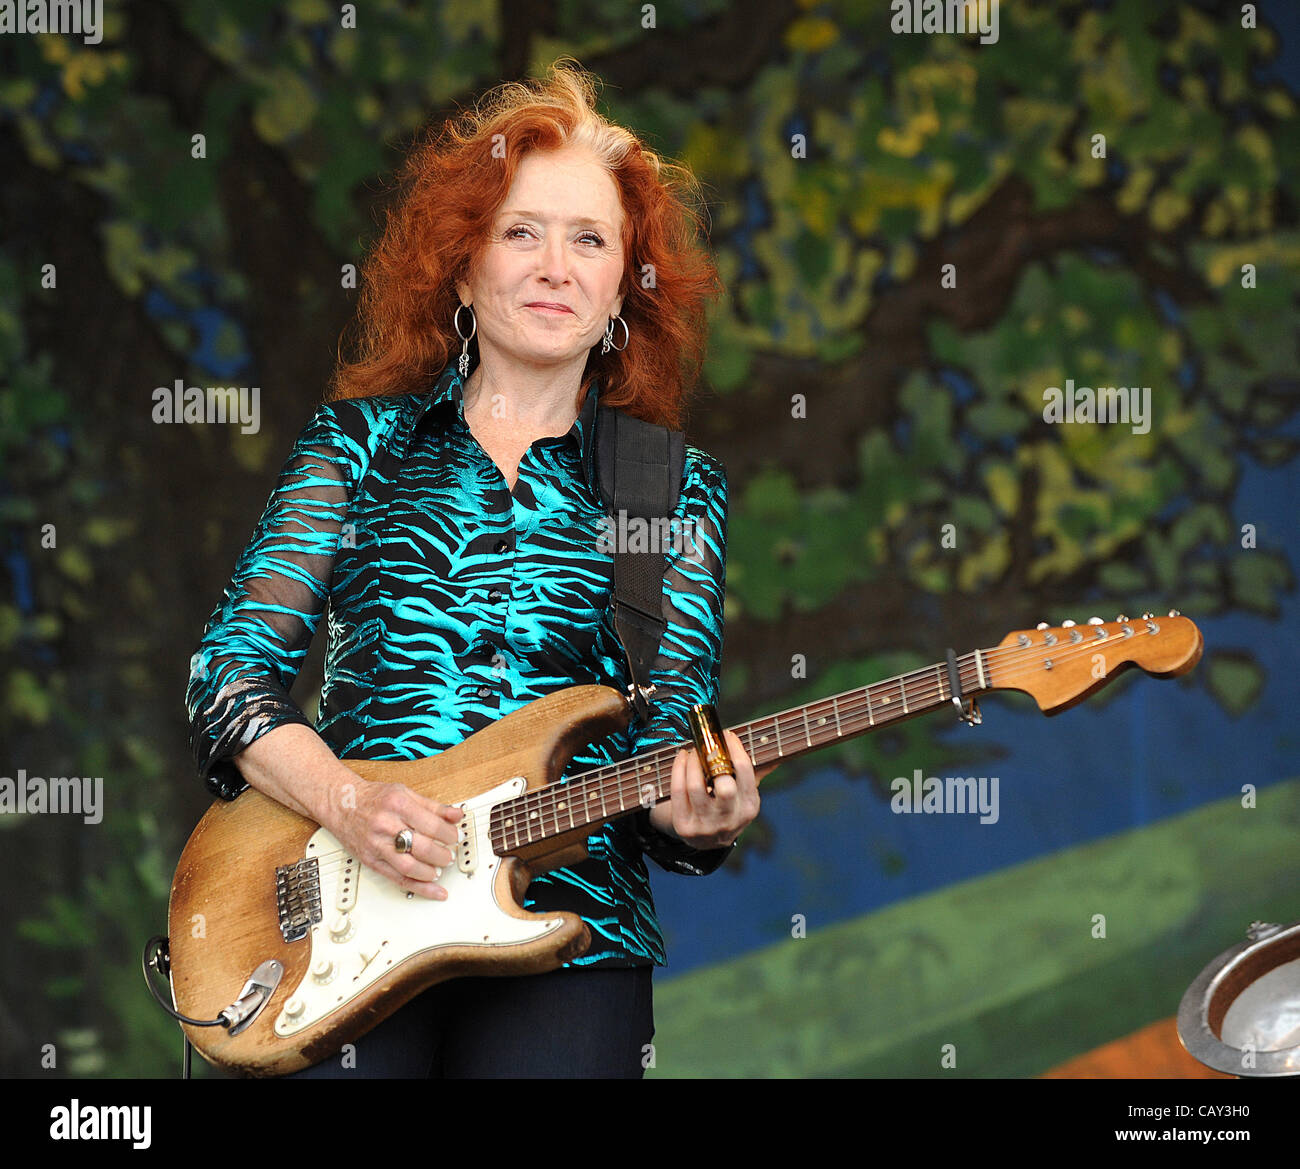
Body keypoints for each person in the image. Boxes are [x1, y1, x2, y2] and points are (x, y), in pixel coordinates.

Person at [184, 59, 771, 1079]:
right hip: (335, 922)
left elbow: (670, 736)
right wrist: (349, 804)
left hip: (574, 932)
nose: (555, 265)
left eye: (590, 239)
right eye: (521, 231)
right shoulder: (356, 445)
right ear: (462, 268)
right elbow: (229, 677)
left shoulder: (669, 487)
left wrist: (698, 815)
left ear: (623, 286)